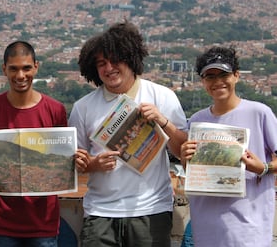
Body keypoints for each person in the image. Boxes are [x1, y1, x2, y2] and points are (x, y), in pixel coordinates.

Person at [69, 21, 188, 247]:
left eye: (116, 60)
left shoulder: (162, 96)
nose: (109, 68)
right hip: (100, 212)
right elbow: (75, 161)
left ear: (131, 59)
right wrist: (93, 164)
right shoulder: (82, 107)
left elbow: (183, 150)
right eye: (101, 63)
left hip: (151, 209)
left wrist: (164, 122)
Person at [180, 46, 277, 247]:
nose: (217, 82)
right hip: (206, 229)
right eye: (210, 76)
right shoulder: (197, 120)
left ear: (236, 76)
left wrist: (263, 168)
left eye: (223, 74)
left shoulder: (260, 113)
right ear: (203, 82)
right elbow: (195, 173)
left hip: (249, 229)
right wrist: (184, 159)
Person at [0, 40, 67, 247]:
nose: (20, 76)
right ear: (4, 69)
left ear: (36, 66)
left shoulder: (55, 110)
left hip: (43, 222)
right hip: (0, 222)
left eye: (26, 68)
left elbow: (64, 164)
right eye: (14, 69)